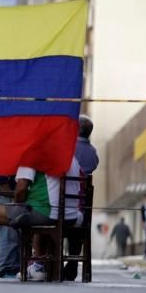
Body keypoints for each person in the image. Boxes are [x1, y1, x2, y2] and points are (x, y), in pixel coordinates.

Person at [0, 157, 82, 282]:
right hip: (71, 215)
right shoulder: (72, 157)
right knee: (37, 213)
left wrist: (16, 205)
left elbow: (21, 189)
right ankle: (38, 267)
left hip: (48, 213)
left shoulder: (33, 155)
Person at [62, 114, 99, 281]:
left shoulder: (66, 149)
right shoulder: (93, 154)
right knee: (76, 230)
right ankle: (72, 264)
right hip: (81, 209)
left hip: (62, 207)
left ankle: (46, 263)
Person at [0, 175, 20, 278]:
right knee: (9, 234)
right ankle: (7, 269)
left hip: (23, 194)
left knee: (17, 237)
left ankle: (17, 268)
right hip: (8, 194)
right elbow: (2, 182)